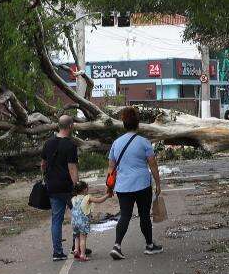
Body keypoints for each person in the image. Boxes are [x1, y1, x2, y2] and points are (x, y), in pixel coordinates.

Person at [107, 107, 163, 260]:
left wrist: (109, 187)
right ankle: (150, 245)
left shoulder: (116, 143)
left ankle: (117, 246)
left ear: (124, 124)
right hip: (142, 184)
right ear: (137, 124)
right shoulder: (144, 142)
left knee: (125, 215)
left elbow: (111, 167)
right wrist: (158, 184)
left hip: (123, 186)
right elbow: (153, 164)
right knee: (144, 215)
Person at [40, 115, 79, 261]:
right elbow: (72, 168)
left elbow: (43, 164)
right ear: (70, 126)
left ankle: (57, 252)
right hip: (67, 187)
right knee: (77, 216)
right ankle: (78, 247)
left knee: (56, 219)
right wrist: (78, 187)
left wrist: (46, 177)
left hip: (53, 187)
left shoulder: (48, 143)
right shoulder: (70, 145)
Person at [70, 181, 109, 261]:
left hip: (74, 222)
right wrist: (107, 195)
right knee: (83, 238)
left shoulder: (73, 199)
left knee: (77, 237)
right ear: (85, 189)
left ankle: (76, 250)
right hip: (83, 222)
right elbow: (99, 200)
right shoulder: (87, 197)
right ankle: (83, 255)